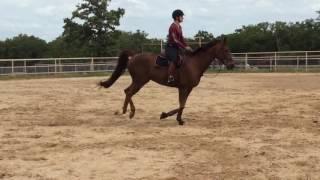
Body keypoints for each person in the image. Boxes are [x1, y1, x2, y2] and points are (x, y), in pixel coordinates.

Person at [166, 9, 193, 83]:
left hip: (177, 47)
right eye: (181, 16)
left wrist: (187, 46)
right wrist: (184, 47)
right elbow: (175, 40)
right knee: (174, 59)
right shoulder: (172, 27)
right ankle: (170, 77)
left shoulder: (179, 27)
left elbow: (181, 39)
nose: (183, 18)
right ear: (177, 17)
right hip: (171, 47)